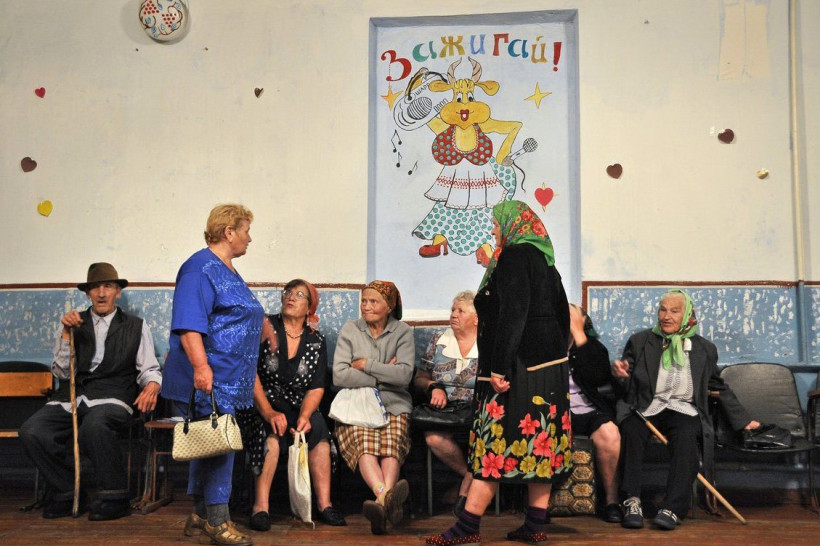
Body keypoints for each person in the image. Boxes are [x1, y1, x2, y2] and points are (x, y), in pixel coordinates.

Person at [428, 200, 571, 546]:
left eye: (496, 223)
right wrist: (555, 356)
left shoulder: (514, 256)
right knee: (540, 446)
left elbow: (513, 314)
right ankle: (535, 524)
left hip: (518, 370)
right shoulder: (545, 261)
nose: (493, 229)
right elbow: (562, 316)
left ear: (512, 223)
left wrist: (499, 368)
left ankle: (467, 527)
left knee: (493, 444)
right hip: (548, 371)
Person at [162, 204, 273, 546]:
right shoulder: (199, 268)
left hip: (228, 376)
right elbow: (188, 324)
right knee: (220, 448)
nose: (249, 238)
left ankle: (200, 516)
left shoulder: (226, 269)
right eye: (246, 231)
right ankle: (218, 523)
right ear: (229, 232)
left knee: (209, 442)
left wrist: (264, 326)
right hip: (209, 376)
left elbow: (237, 314)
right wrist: (201, 368)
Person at [20, 262, 162, 521]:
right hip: (73, 397)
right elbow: (63, 373)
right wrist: (66, 333)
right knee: (32, 430)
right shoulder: (73, 323)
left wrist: (152, 385)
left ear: (118, 291)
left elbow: (149, 368)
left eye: (108, 286)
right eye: (95, 287)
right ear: (88, 294)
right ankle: (67, 492)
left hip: (114, 395)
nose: (102, 293)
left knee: (94, 425)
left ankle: (115, 497)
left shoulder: (136, 326)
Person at [612, 289, 760, 531]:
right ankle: (631, 501)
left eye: (674, 311)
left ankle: (673, 508)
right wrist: (621, 377)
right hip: (646, 406)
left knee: (687, 437)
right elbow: (628, 386)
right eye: (662, 310)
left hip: (683, 409)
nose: (666, 316)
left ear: (688, 315)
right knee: (631, 431)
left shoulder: (705, 349)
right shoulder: (640, 342)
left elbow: (716, 385)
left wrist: (742, 419)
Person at [238, 279, 346, 530]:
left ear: (310, 307)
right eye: (288, 292)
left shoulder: (316, 340)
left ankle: (325, 505)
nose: (291, 297)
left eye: (299, 294)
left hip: (299, 403)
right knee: (271, 435)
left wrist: (305, 416)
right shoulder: (265, 326)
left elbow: (316, 386)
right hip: (263, 401)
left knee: (319, 431)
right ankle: (260, 507)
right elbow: (249, 373)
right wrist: (268, 411)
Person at [332, 280, 415, 535]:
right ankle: (386, 498)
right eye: (364, 301)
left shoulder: (402, 332)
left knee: (392, 443)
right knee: (364, 443)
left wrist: (366, 364)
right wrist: (383, 374)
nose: (366, 306)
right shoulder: (351, 329)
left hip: (394, 402)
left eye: (373, 302)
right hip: (357, 404)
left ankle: (380, 504)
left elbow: (404, 376)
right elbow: (339, 375)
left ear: (389, 306)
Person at [414, 290, 479, 515]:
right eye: (452, 310)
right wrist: (433, 386)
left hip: (477, 410)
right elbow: (420, 378)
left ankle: (465, 491)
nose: (454, 315)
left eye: (461, 311)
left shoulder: (489, 343)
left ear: (477, 318)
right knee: (433, 438)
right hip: (445, 410)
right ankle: (470, 478)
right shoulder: (439, 340)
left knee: (487, 439)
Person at [566, 303, 622, 523]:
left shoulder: (594, 348)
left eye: (572, 316)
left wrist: (579, 336)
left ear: (583, 321)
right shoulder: (546, 348)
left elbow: (598, 377)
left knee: (609, 433)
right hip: (557, 410)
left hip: (590, 410)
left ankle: (611, 501)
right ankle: (541, 503)